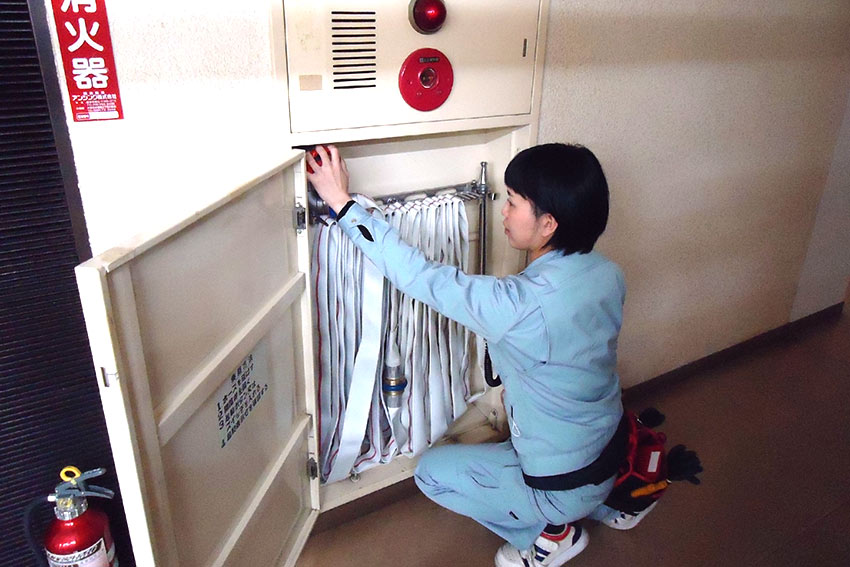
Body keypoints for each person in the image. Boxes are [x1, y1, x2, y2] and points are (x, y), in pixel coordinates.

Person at [307, 143, 634, 567]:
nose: (504, 211)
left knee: (431, 474)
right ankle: (612, 501)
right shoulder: (608, 273)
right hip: (611, 447)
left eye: (513, 202)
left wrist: (341, 203)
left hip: (562, 484)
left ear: (548, 224)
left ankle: (552, 536)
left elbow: (418, 276)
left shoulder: (518, 304)